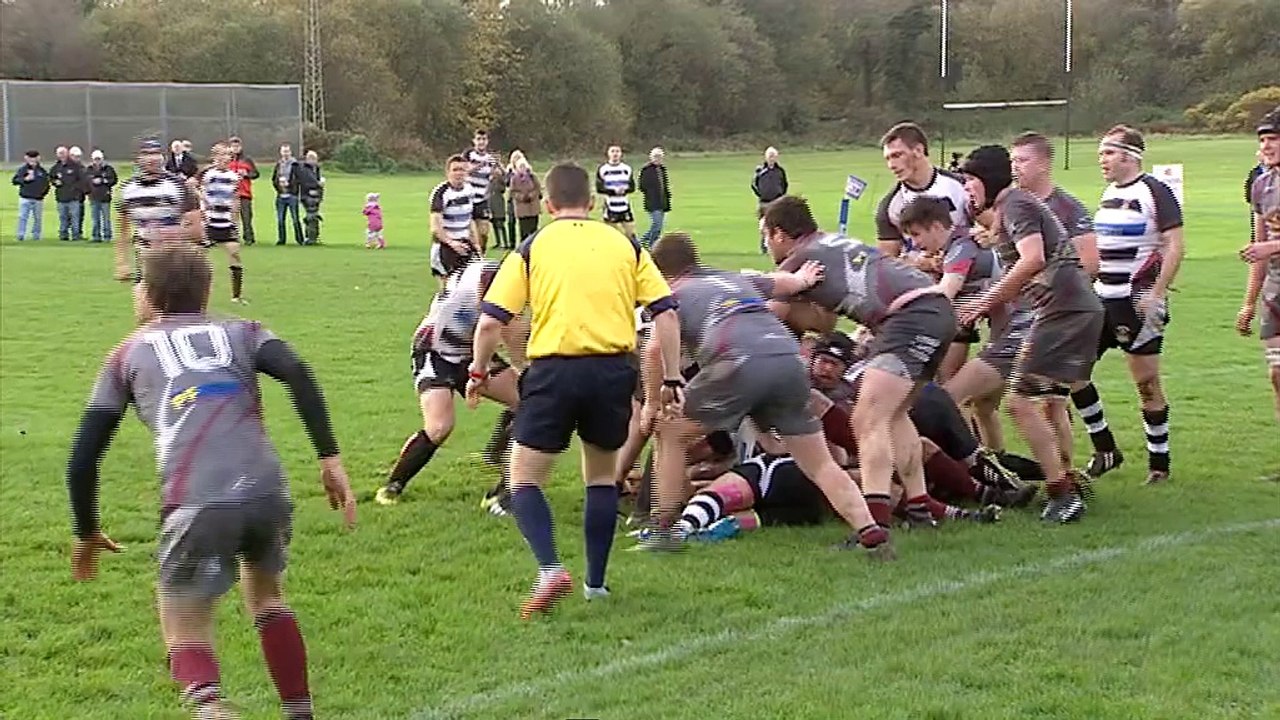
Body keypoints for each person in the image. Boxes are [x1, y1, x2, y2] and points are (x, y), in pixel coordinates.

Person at [65, 244, 355, 720]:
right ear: (207, 290)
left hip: (195, 499)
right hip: (266, 490)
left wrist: (86, 530)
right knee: (268, 596)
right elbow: (298, 372)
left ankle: (212, 709)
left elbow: (83, 457)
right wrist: (329, 459)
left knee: (183, 619)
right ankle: (299, 713)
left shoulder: (125, 354)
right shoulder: (243, 330)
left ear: (148, 295)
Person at [464, 162, 684, 618]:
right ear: (595, 203)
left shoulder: (532, 246)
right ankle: (596, 584)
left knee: (523, 478)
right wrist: (673, 376)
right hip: (612, 371)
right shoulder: (626, 245)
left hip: (554, 372)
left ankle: (549, 568)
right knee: (601, 478)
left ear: (546, 204)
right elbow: (666, 313)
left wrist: (479, 373)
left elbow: (490, 322)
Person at [643, 232, 893, 554]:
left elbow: (652, 351)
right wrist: (803, 279)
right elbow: (781, 283)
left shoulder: (670, 293)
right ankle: (870, 531)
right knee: (819, 463)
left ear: (661, 271)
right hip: (789, 360)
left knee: (670, 431)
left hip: (738, 362)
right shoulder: (733, 278)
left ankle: (664, 529)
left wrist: (652, 401)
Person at [765, 195, 955, 535]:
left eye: (765, 236)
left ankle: (875, 523)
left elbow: (768, 317)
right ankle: (919, 508)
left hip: (909, 316)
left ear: (779, 234)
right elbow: (823, 323)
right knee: (893, 416)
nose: (766, 245)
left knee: (868, 417)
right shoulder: (828, 243)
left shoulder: (798, 260)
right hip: (935, 309)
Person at [957, 145, 1104, 523]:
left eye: (971, 181)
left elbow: (1033, 258)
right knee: (1049, 402)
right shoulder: (1014, 206)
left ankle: (1061, 492)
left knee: (1018, 404)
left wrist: (984, 301)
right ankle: (1069, 479)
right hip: (1072, 310)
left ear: (987, 180)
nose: (967, 190)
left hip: (1063, 312)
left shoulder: (1016, 205)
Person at [1076, 125, 1185, 485]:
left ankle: (1159, 464)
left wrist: (1156, 292)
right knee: (1071, 371)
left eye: (1107, 153)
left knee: (1146, 383)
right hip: (1100, 300)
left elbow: (1174, 245)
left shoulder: (1155, 191)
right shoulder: (1109, 192)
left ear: (1128, 155)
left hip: (1134, 303)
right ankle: (1106, 448)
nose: (1101, 161)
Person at [376, 256, 526, 505]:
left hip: (471, 349)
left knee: (528, 403)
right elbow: (504, 329)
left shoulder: (500, 270)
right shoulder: (497, 277)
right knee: (439, 427)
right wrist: (526, 366)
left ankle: (502, 481)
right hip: (435, 351)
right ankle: (394, 484)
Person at [1237, 105, 1280, 483]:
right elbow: (1259, 245)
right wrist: (1248, 303)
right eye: (1263, 139)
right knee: (1277, 373)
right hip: (1276, 289)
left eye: (1273, 139)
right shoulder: (1261, 185)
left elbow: (1267, 247)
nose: (1266, 146)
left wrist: (1270, 249)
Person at [874, 122, 969, 259]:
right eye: (888, 159)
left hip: (966, 269)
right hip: (920, 277)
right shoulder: (890, 206)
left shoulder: (961, 186)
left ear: (918, 150)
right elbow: (887, 263)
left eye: (897, 155)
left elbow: (992, 229)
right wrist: (920, 264)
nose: (891, 165)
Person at [114, 138, 203, 283]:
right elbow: (122, 230)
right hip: (144, 261)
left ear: (163, 157)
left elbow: (196, 231)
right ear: (138, 159)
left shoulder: (179, 186)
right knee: (145, 303)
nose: (152, 158)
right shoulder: (127, 189)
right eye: (146, 153)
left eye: (156, 153)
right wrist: (122, 262)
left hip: (176, 261)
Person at [200, 143, 247, 304]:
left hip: (226, 222)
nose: (224, 158)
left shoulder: (234, 177)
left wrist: (235, 221)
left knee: (234, 253)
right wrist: (204, 209)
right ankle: (195, 293)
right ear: (214, 158)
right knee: (198, 257)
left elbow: (235, 199)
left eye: (227, 155)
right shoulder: (208, 175)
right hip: (209, 221)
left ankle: (236, 296)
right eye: (221, 155)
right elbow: (199, 192)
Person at [429, 155, 479, 282]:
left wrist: (476, 243)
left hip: (465, 244)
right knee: (448, 291)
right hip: (445, 246)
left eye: (462, 169)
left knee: (472, 287)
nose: (458, 173)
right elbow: (435, 226)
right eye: (455, 170)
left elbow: (470, 219)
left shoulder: (469, 190)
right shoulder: (441, 192)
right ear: (448, 172)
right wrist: (451, 243)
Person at [462, 129, 498, 253]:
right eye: (478, 139)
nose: (481, 142)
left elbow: (494, 174)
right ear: (474, 141)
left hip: (482, 199)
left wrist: (497, 172)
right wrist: (481, 164)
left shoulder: (491, 158)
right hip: (468, 198)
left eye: (483, 139)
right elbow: (465, 170)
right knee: (469, 232)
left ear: (487, 141)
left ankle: (481, 254)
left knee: (483, 233)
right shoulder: (468, 154)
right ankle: (469, 256)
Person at [596, 145, 636, 241]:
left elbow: (632, 187)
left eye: (617, 151)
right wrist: (614, 192)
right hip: (610, 206)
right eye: (613, 151)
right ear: (608, 154)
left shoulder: (627, 169)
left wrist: (624, 190)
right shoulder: (603, 169)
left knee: (631, 234)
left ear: (621, 154)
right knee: (612, 235)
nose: (615, 154)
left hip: (624, 205)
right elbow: (599, 188)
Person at [752, 147, 788, 253]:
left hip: (777, 201)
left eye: (773, 156)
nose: (772, 158)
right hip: (764, 202)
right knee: (764, 225)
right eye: (770, 156)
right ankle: (764, 246)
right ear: (766, 157)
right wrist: (761, 194)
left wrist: (780, 194)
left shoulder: (780, 171)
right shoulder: (760, 170)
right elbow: (754, 184)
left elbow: (784, 184)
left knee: (777, 225)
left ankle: (777, 247)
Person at [228, 136, 260, 245]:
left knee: (246, 217)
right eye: (233, 146)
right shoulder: (227, 160)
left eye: (237, 146)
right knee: (232, 218)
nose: (235, 148)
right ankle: (233, 237)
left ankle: (249, 238)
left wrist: (247, 174)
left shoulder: (247, 160)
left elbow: (256, 174)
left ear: (241, 147)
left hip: (244, 193)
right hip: (231, 194)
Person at [12, 149, 50, 241]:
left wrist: (43, 194)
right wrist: (25, 179)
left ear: (38, 158)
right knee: (22, 217)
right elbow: (15, 181)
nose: (32, 160)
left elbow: (46, 184)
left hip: (38, 199)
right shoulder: (22, 169)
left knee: (37, 218)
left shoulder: (42, 171)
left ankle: (36, 235)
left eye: (34, 158)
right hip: (25, 197)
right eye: (30, 158)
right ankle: (21, 235)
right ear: (26, 158)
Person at [272, 144, 304, 246]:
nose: (285, 153)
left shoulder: (295, 164)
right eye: (283, 151)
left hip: (292, 195)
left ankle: (300, 239)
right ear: (281, 152)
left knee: (295, 219)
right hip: (281, 196)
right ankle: (281, 239)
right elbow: (274, 178)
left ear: (290, 152)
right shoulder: (278, 164)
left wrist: (290, 185)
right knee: (280, 219)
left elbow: (300, 179)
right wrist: (278, 185)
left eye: (287, 151)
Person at [638, 147, 671, 248]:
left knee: (659, 226)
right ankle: (650, 244)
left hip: (662, 202)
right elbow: (642, 186)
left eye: (660, 157)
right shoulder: (646, 170)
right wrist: (651, 193)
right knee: (656, 225)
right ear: (651, 157)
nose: (658, 159)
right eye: (656, 156)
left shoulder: (662, 169)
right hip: (652, 202)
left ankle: (644, 243)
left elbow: (665, 186)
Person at [52, 145, 85, 242]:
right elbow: (51, 177)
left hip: (74, 197)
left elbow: (82, 179)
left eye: (63, 153)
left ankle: (76, 235)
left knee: (75, 218)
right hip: (61, 197)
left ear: (67, 154)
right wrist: (55, 182)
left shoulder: (76, 166)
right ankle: (63, 235)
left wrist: (75, 189)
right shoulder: (56, 167)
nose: (61, 155)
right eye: (59, 153)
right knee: (63, 218)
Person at [508, 151, 541, 244]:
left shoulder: (532, 176)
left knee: (533, 230)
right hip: (522, 208)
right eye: (520, 166)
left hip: (533, 207)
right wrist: (522, 197)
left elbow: (538, 188)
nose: (522, 168)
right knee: (524, 231)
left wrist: (531, 195)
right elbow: (512, 192)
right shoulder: (514, 179)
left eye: (524, 166)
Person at [85, 150, 118, 244]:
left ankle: (107, 236)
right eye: (95, 159)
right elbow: (85, 181)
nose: (97, 161)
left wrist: (103, 181)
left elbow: (114, 180)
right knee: (95, 218)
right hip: (93, 197)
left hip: (105, 197)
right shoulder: (89, 169)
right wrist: (88, 191)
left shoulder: (108, 169)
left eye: (99, 159)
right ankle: (96, 236)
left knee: (106, 218)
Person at [296, 150, 324, 245]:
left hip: (316, 195)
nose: (314, 161)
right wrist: (318, 184)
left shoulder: (316, 168)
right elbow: (306, 182)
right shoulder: (304, 169)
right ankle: (310, 238)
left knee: (313, 216)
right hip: (307, 195)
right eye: (312, 159)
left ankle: (313, 237)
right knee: (311, 216)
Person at [488, 163, 510, 251]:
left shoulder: (500, 181)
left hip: (499, 204)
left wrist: (500, 166)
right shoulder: (490, 181)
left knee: (500, 224)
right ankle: (498, 242)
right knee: (494, 224)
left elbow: (506, 179)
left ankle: (505, 243)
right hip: (491, 203)